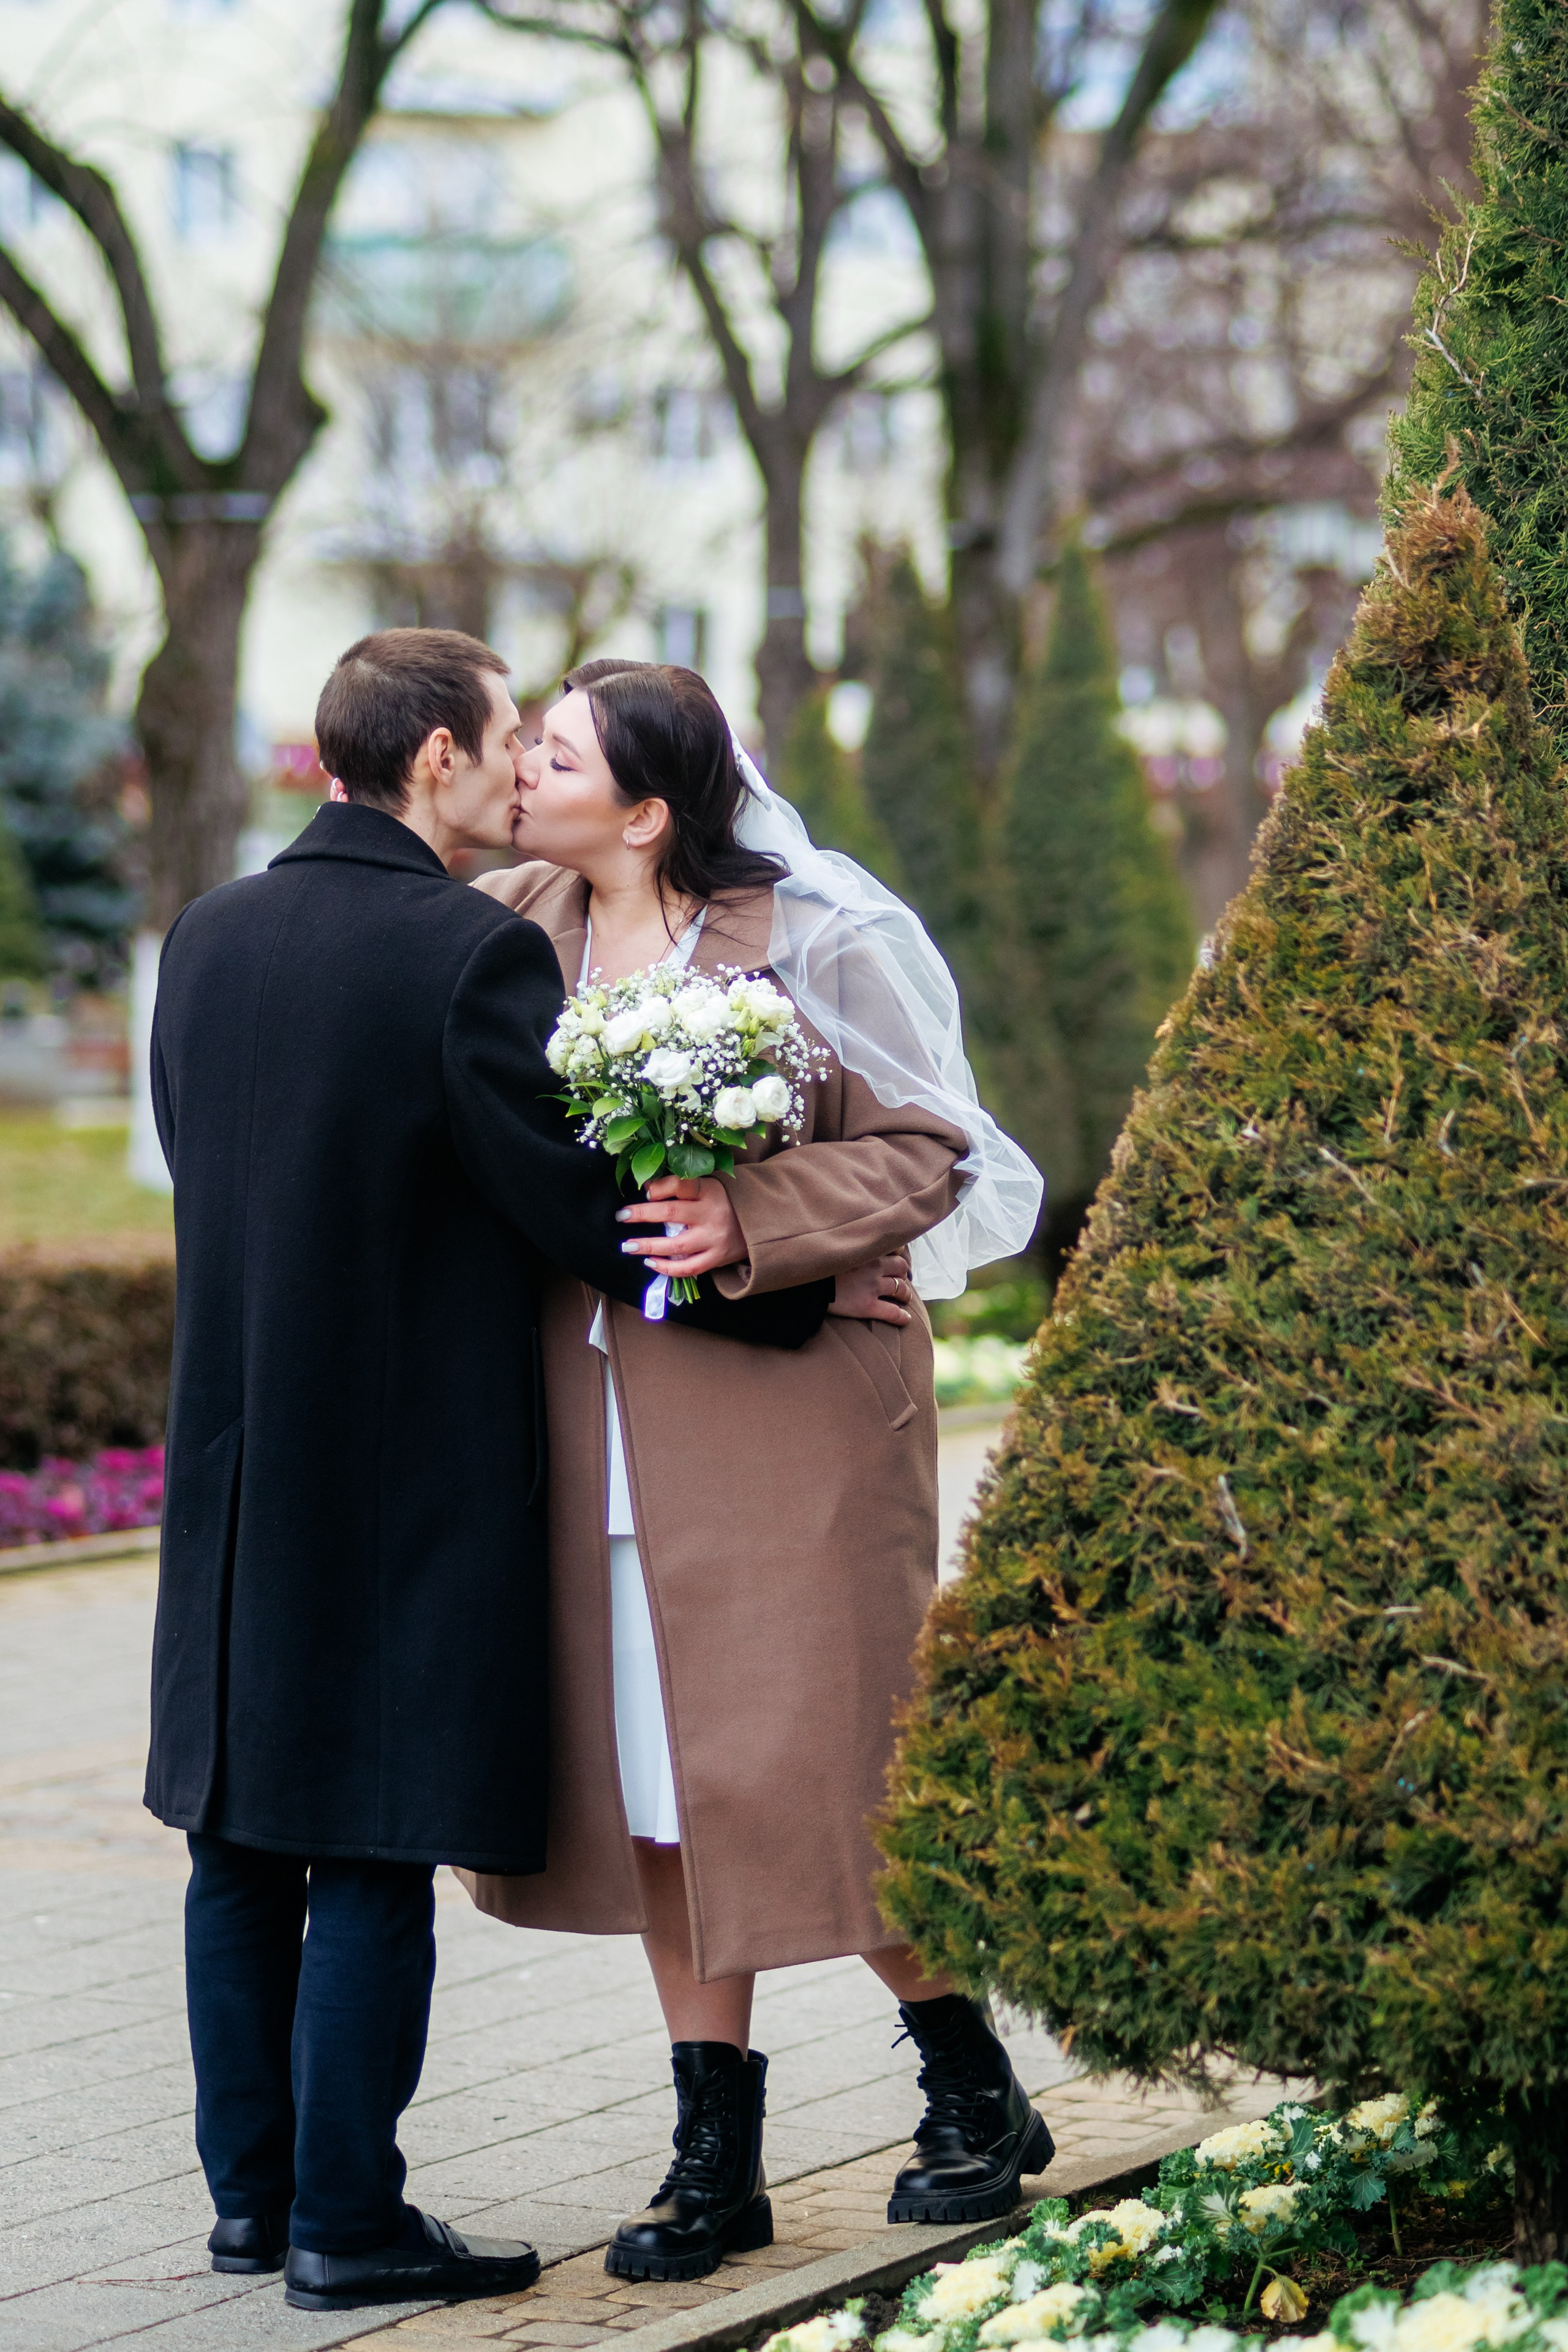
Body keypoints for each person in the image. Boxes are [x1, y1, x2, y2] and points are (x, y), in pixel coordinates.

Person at [145, 629, 833, 2316]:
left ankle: (253, 2208)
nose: (522, 763)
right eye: (509, 736)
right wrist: (769, 1286)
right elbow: (571, 1201)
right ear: (436, 756)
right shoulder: (461, 957)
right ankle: (351, 2223)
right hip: (399, 1476)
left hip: (231, 1462)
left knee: (235, 1839)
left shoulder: (209, 934)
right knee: (372, 1843)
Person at [466, 659, 1052, 2283]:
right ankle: (711, 2155)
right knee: (664, 1788)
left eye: (557, 750)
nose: (524, 767)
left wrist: (760, 1220)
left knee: (834, 1767)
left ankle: (971, 2085)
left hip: (797, 1426)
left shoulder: (812, 936)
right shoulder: (520, 927)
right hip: (600, 1428)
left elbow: (938, 1151)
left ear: (647, 809)